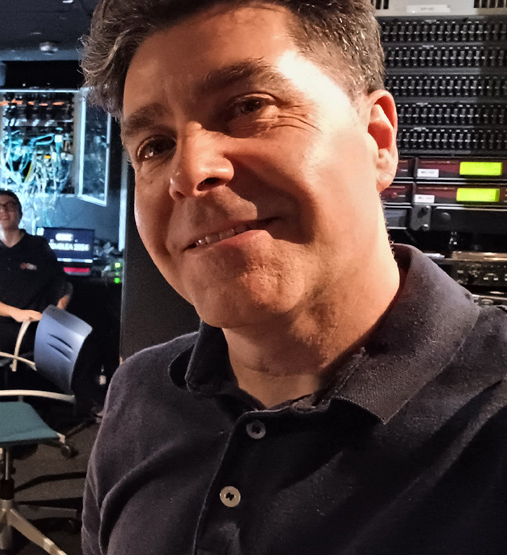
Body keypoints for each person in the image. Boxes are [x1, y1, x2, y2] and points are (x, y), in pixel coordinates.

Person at [79, 0, 507, 553]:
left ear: (377, 140)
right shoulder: (138, 393)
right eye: (156, 146)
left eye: (249, 106)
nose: (189, 172)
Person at [0, 189, 71, 399]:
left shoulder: (38, 246)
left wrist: (59, 309)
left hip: (26, 328)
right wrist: (15, 312)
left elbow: (63, 283)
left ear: (20, 213)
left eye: (10, 205)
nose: (4, 210)